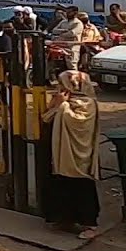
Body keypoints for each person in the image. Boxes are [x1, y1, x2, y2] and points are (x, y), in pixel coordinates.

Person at [42, 70, 102, 239]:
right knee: (62, 184)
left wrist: (62, 105)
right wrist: (59, 104)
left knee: (81, 186)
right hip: (62, 152)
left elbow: (77, 122)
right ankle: (65, 219)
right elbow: (46, 117)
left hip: (79, 156)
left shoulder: (87, 103)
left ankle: (90, 224)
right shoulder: (64, 100)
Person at [50, 6, 84, 70]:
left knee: (71, 65)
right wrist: (64, 30)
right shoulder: (63, 22)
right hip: (60, 45)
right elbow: (54, 30)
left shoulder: (78, 23)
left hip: (72, 47)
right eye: (66, 12)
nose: (67, 13)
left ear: (75, 13)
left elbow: (72, 33)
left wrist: (61, 34)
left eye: (69, 12)